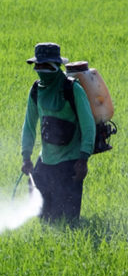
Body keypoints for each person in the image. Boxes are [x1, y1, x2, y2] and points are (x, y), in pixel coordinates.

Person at [21, 42, 96, 224]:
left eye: (45, 66)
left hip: (70, 162)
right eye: (38, 66)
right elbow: (29, 125)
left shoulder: (72, 89)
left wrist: (83, 159)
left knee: (67, 220)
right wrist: (26, 157)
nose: (40, 70)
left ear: (55, 66)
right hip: (46, 160)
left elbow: (88, 126)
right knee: (44, 218)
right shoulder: (36, 91)